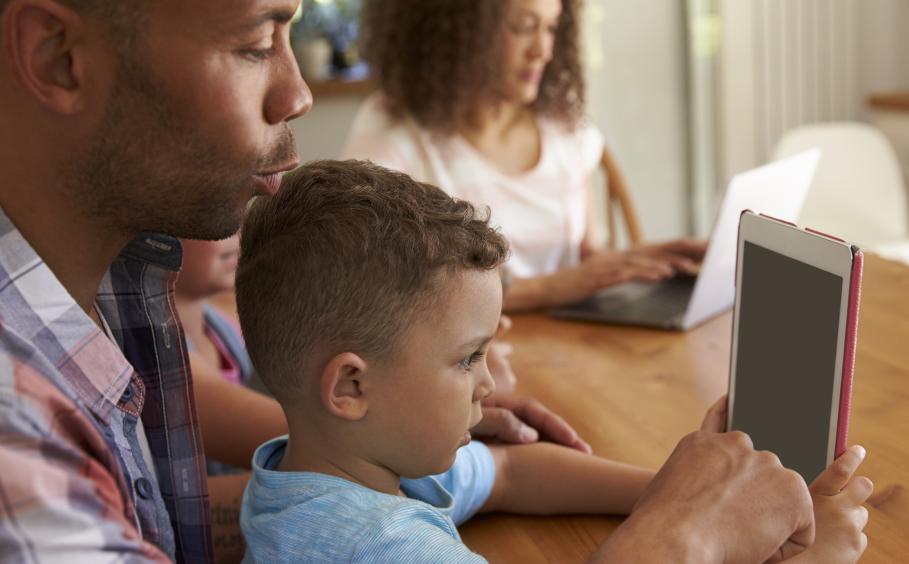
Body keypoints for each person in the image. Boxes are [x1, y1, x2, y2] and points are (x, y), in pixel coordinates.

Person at [0, 0, 867, 562]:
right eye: (256, 42)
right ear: (59, 55)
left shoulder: (118, 292)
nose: (300, 93)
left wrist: (699, 493)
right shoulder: (16, 433)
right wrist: (685, 535)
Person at [235, 160, 870, 563]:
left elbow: (512, 474)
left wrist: (692, 494)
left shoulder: (333, 468)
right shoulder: (381, 546)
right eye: (466, 359)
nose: (489, 384)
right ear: (350, 386)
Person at [343, 0, 706, 312]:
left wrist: (646, 262)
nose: (543, 50)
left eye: (551, 28)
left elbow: (584, 256)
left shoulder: (565, 130)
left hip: (572, 349)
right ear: (458, 29)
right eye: (524, 27)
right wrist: (553, 288)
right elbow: (381, 287)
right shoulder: (395, 135)